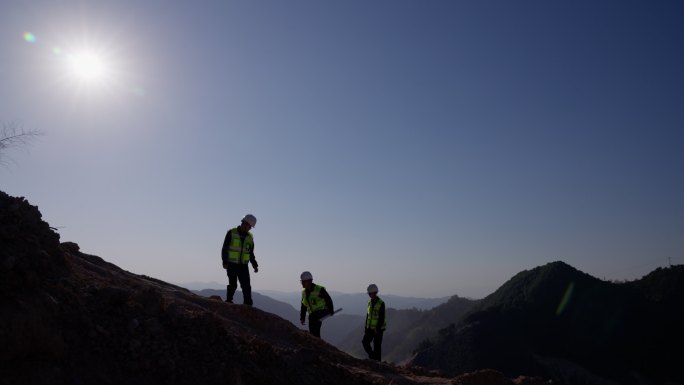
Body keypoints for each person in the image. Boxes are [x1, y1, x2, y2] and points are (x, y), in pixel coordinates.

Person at [221, 214, 259, 305]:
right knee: (233, 285)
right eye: (250, 226)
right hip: (232, 264)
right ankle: (229, 301)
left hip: (243, 266)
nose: (250, 229)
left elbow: (250, 253)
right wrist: (225, 261)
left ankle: (248, 304)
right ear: (245, 224)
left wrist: (254, 265)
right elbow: (225, 248)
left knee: (246, 286)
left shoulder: (250, 237)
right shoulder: (231, 232)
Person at [299, 271, 334, 338]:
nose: (302, 283)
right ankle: (316, 340)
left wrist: (331, 310)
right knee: (313, 329)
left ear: (309, 281)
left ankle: (316, 340)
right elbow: (303, 305)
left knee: (312, 318)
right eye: (301, 282)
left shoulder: (319, 289)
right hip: (314, 314)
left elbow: (328, 299)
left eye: (303, 281)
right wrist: (302, 317)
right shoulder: (304, 292)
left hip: (324, 311)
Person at [362, 283, 386, 361]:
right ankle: (373, 357)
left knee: (377, 347)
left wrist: (377, 329)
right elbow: (368, 316)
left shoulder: (381, 303)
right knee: (365, 342)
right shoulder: (369, 302)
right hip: (369, 328)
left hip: (378, 330)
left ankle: (378, 364)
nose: (369, 295)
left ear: (374, 293)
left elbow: (381, 318)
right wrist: (366, 327)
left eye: (369, 293)